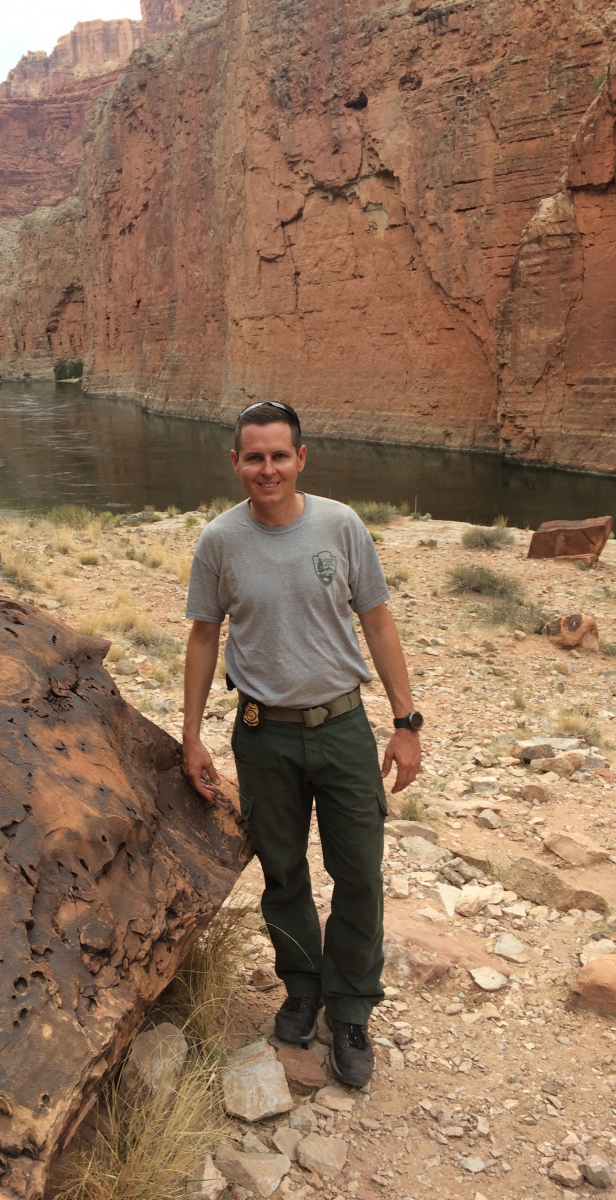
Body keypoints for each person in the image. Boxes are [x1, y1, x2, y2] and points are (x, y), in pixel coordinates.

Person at [182, 400, 422, 1086]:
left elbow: (377, 622)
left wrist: (406, 724)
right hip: (262, 737)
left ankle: (350, 1010)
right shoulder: (219, 541)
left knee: (359, 876)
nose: (267, 469)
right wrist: (192, 734)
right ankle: (302, 987)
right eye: (253, 457)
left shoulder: (340, 526)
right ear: (235, 462)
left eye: (279, 456)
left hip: (343, 728)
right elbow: (203, 636)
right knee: (283, 876)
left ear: (301, 458)